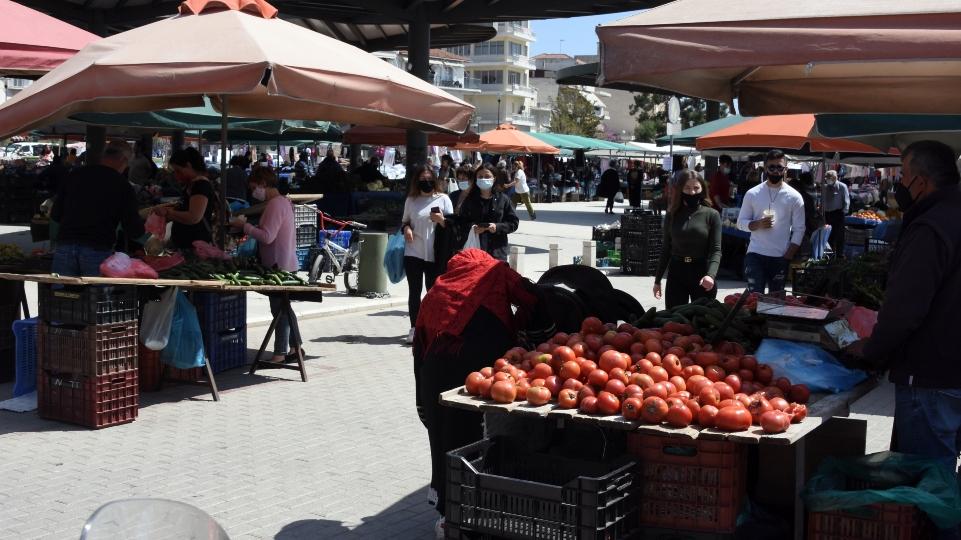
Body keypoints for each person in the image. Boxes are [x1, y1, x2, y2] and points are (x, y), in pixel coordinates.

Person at [850, 141, 961, 539]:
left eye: (902, 174)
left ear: (921, 180)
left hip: (930, 376)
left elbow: (905, 309)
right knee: (943, 480)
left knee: (929, 487)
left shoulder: (931, 226)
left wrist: (873, 350)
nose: (899, 183)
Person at [413, 248, 556, 539]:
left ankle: (449, 513)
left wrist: (421, 397)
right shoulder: (497, 272)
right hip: (482, 367)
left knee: (445, 439)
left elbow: (420, 344)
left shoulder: (438, 289)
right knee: (478, 437)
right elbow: (534, 297)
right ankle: (479, 511)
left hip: (436, 369)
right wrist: (534, 337)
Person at [228, 167, 299, 363]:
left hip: (278, 265)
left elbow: (268, 237)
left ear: (263, 184)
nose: (253, 192)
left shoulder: (276, 204)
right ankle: (296, 348)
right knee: (284, 308)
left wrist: (245, 227)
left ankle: (279, 354)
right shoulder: (283, 202)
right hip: (285, 262)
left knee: (280, 310)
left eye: (254, 188)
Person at [51, 141, 144, 277]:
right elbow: (133, 229)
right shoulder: (122, 185)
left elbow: (56, 214)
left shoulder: (75, 175)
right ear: (124, 160)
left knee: (63, 295)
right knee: (96, 296)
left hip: (66, 245)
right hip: (97, 248)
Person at [736, 149, 806, 294]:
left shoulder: (795, 197)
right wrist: (757, 224)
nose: (775, 171)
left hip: (780, 256)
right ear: (765, 168)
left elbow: (799, 229)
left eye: (779, 167)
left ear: (785, 169)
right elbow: (740, 223)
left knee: (776, 302)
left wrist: (789, 254)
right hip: (755, 254)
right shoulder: (753, 193)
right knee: (754, 298)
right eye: (771, 167)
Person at [653, 170, 722, 308]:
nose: (692, 193)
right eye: (687, 188)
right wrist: (657, 280)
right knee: (675, 318)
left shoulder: (712, 215)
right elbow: (666, 248)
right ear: (680, 190)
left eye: (696, 188)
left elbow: (716, 250)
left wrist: (711, 275)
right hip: (676, 272)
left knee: (702, 319)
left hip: (702, 271)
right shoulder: (671, 215)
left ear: (702, 189)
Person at [401, 165, 454, 344]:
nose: (426, 183)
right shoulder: (411, 200)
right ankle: (414, 328)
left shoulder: (443, 199)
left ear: (435, 180)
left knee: (433, 292)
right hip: (413, 251)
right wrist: (407, 229)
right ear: (417, 182)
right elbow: (404, 222)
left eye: (429, 179)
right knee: (414, 292)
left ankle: (432, 326)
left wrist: (442, 221)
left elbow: (453, 226)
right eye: (422, 180)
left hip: (435, 253)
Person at [157, 147, 217, 249]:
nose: (176, 175)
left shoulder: (201, 185)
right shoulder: (193, 184)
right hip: (187, 244)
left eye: (178, 171)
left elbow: (194, 217)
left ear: (188, 166)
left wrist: (169, 212)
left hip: (195, 246)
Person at [458, 163, 519, 263]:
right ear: (476, 179)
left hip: (498, 251)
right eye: (480, 177)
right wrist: (474, 228)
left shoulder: (503, 199)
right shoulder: (470, 200)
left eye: (487, 176)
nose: (483, 179)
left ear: (494, 178)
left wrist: (497, 227)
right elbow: (461, 222)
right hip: (475, 251)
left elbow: (513, 223)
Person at [822, 170, 850, 256]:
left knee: (839, 235)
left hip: (838, 213)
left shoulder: (842, 186)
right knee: (829, 235)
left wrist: (843, 212)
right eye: (826, 178)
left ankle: (839, 255)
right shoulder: (825, 187)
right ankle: (829, 254)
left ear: (834, 178)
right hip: (827, 214)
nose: (827, 180)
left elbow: (846, 201)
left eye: (828, 178)